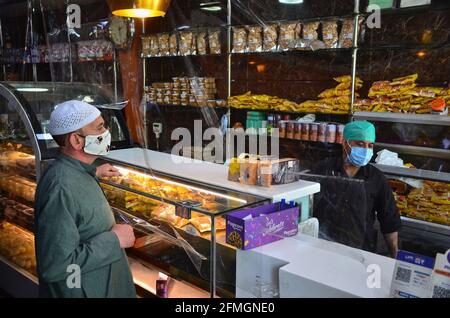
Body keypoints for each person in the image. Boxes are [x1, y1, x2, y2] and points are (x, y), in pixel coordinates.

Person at [34, 100, 136, 298]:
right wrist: (114, 240)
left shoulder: (73, 172)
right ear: (77, 141)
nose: (106, 132)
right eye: (100, 128)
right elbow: (55, 266)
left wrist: (94, 172)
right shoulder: (61, 188)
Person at [311, 121, 402, 258]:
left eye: (370, 145)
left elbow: (389, 220)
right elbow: (307, 206)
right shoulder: (323, 169)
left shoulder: (376, 178)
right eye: (360, 144)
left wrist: (395, 257)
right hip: (322, 248)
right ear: (345, 143)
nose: (366, 149)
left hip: (360, 251)